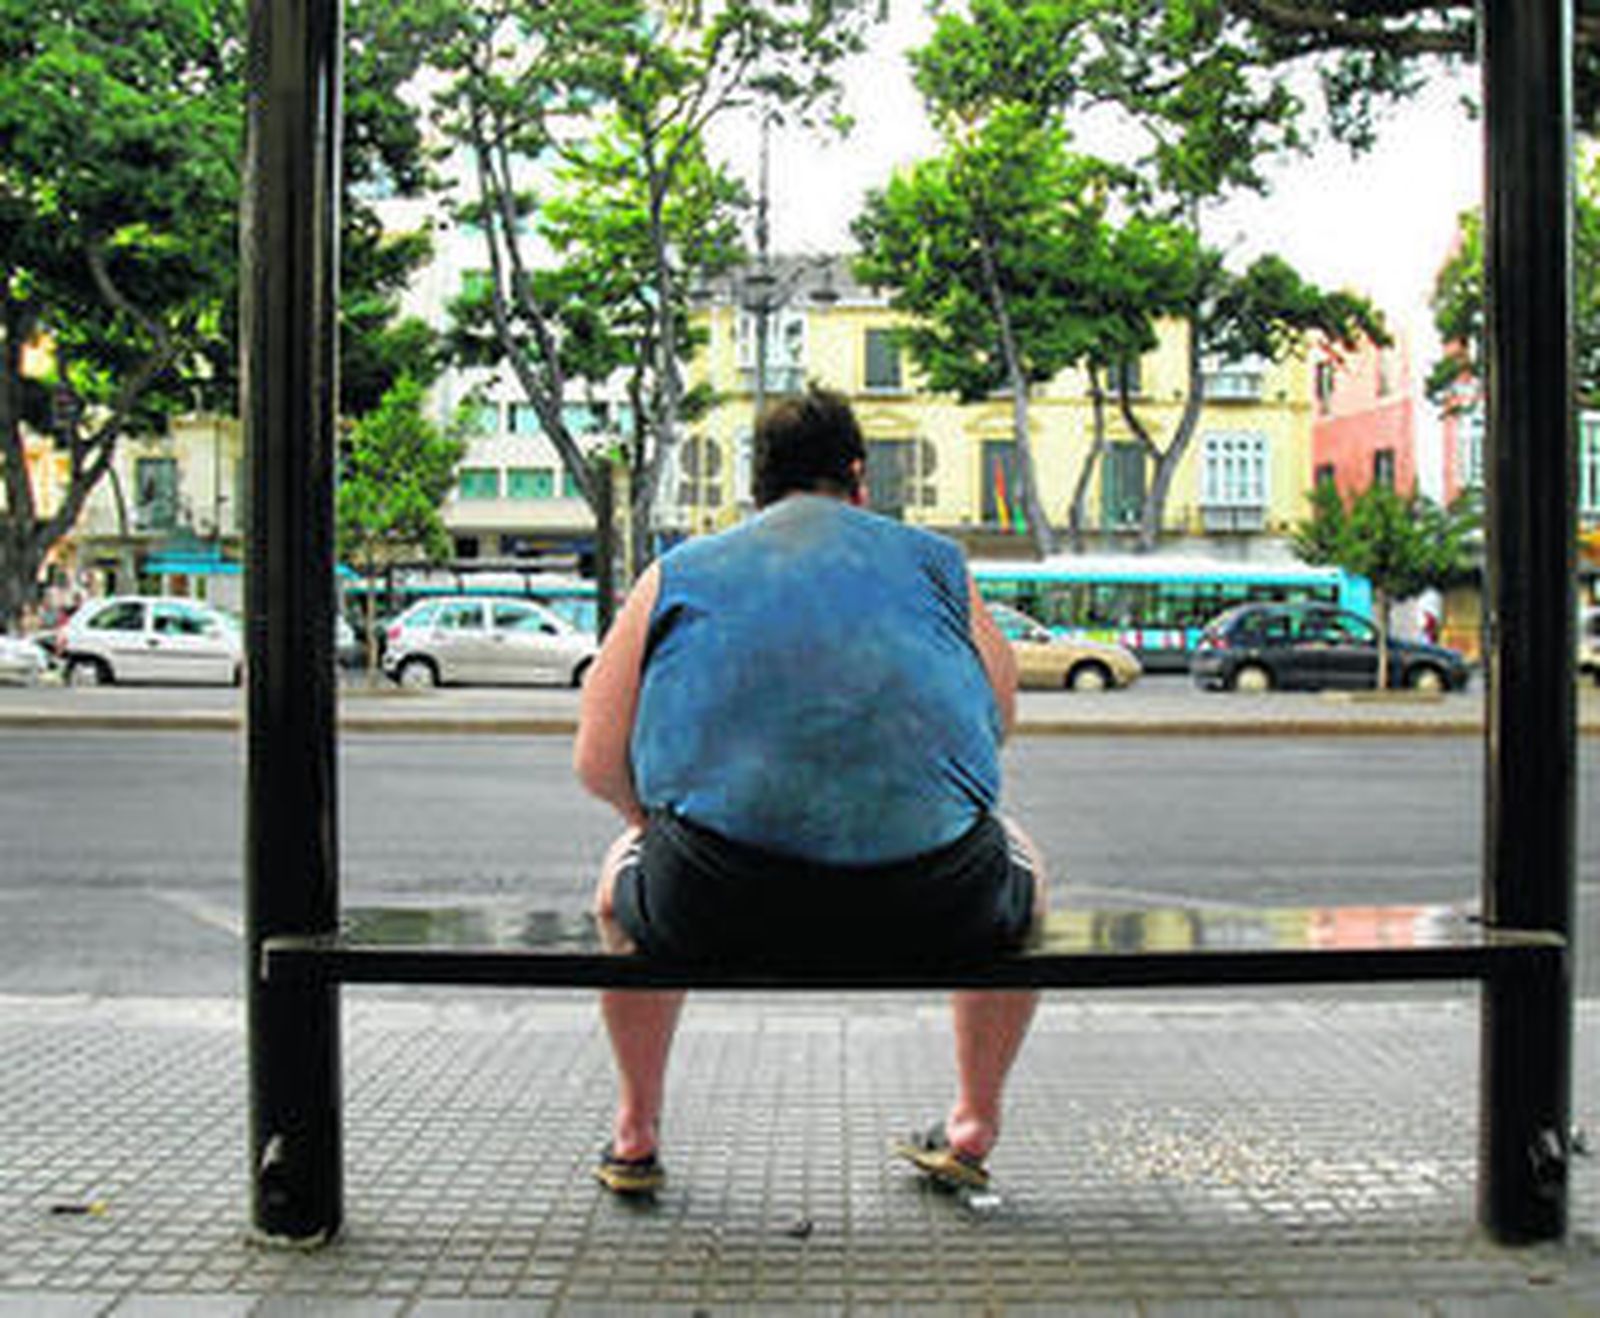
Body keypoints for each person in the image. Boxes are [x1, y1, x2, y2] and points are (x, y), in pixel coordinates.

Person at [573, 386, 1047, 1197]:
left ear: (758, 486)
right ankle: (971, 1125)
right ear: (858, 477)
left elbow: (596, 759)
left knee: (619, 890)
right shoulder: (936, 563)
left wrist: (649, 820)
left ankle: (636, 1131)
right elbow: (997, 717)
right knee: (1025, 871)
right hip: (933, 904)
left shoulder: (678, 571)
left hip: (716, 902)